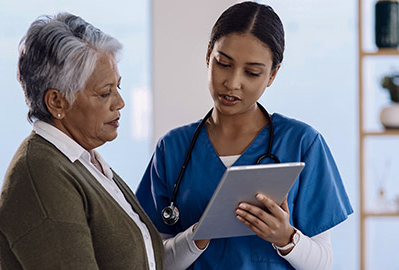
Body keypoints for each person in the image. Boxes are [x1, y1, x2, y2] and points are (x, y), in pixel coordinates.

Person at [136, 2, 353, 270]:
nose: (232, 82)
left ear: (272, 74)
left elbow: (323, 263)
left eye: (252, 72)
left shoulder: (302, 143)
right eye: (223, 64)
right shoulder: (172, 148)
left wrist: (285, 238)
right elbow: (154, 261)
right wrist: (196, 236)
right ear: (208, 55)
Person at [0, 12, 208, 270]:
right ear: (57, 102)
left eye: (118, 87)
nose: (120, 103)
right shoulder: (42, 175)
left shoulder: (85, 161)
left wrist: (200, 235)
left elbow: (143, 261)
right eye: (105, 93)